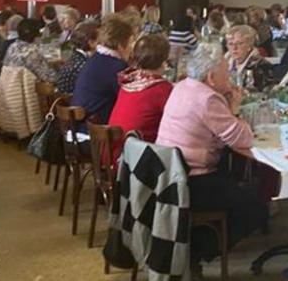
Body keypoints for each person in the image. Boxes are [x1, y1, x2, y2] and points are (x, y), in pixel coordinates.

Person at [156, 43, 267, 265]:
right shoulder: (207, 98)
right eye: (227, 73)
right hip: (191, 180)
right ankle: (199, 251)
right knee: (257, 209)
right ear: (211, 77)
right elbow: (242, 139)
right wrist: (234, 108)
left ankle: (195, 245)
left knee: (236, 185)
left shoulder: (182, 85)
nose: (231, 79)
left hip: (166, 171)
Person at [108, 35, 173, 160]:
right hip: (132, 162)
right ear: (164, 61)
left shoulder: (127, 81)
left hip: (111, 152)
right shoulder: (161, 89)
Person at [72, 15, 134, 123]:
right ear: (120, 45)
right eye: (131, 42)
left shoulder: (95, 59)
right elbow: (130, 100)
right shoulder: (117, 66)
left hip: (78, 127)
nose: (132, 47)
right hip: (97, 132)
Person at [3, 19, 57, 83]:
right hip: (29, 89)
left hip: (10, 87)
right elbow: (49, 78)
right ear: (35, 35)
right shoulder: (32, 53)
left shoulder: (11, 47)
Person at [225, 25, 274, 91]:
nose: (234, 48)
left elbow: (265, 92)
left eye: (239, 43)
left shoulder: (261, 65)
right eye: (230, 44)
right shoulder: (224, 63)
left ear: (249, 46)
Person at [55, 22, 98, 94]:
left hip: (64, 102)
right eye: (99, 41)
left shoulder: (74, 57)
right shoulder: (84, 65)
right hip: (75, 103)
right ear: (91, 43)